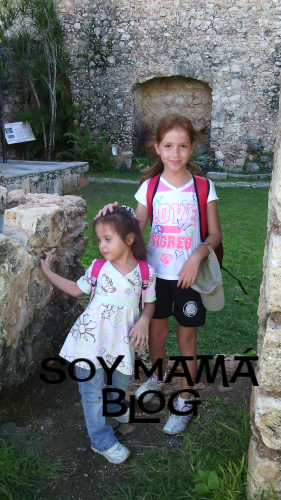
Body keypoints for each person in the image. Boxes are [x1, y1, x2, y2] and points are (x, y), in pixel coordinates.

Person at [95, 115, 222, 435]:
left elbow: (216, 234)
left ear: (193, 147)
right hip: (154, 277)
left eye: (182, 146)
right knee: (155, 334)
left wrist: (197, 255)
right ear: (157, 148)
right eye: (168, 146)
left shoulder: (203, 186)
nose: (175, 153)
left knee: (187, 337)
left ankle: (186, 398)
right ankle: (158, 374)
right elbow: (135, 228)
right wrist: (112, 219)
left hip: (188, 278)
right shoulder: (149, 188)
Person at [40, 208, 156, 464]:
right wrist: (48, 272)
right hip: (89, 343)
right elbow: (74, 289)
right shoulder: (97, 268)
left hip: (122, 344)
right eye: (99, 239)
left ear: (128, 238)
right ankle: (100, 440)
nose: (102, 246)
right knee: (92, 394)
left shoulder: (145, 272)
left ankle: (114, 408)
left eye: (108, 238)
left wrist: (145, 320)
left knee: (119, 385)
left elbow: (149, 304)